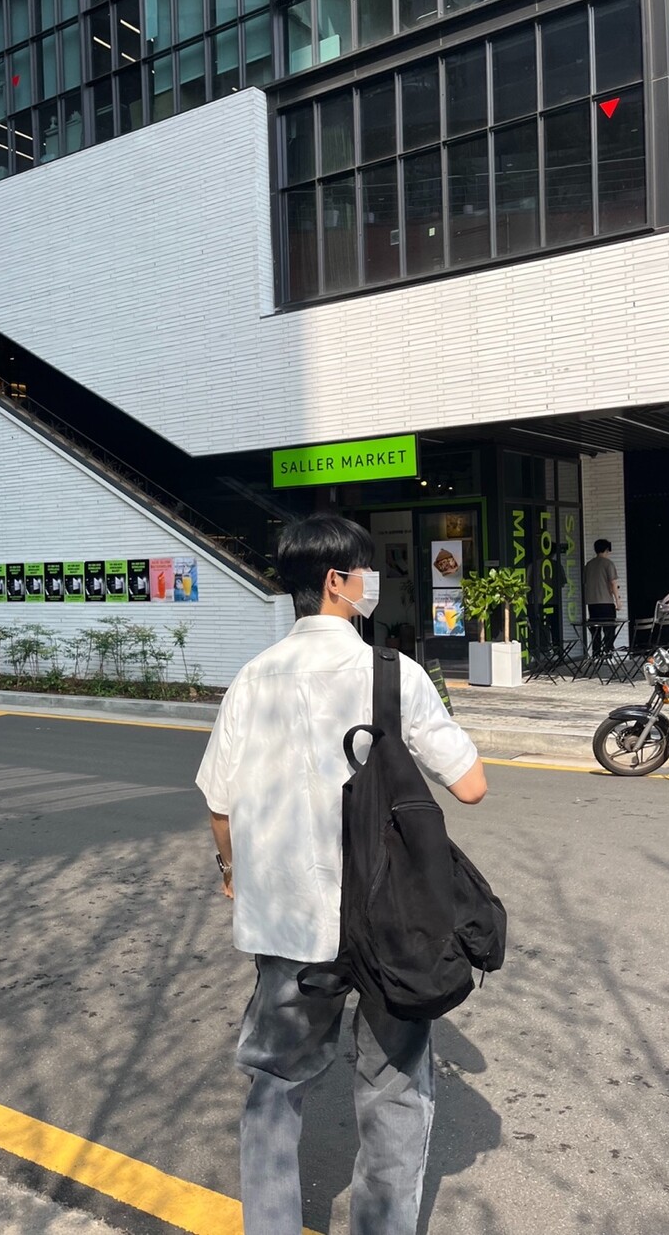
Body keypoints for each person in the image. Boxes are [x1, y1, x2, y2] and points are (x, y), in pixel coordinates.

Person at [196, 515, 488, 1235]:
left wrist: (232, 870)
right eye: (366, 570)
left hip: (288, 924)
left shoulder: (252, 677)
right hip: (389, 926)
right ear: (337, 581)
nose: (372, 582)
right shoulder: (394, 673)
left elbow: (219, 804)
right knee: (394, 1094)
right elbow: (472, 785)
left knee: (274, 1085)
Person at [583, 539, 623, 656]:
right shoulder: (608, 563)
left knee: (595, 630)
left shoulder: (589, 565)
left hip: (592, 603)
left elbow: (586, 582)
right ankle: (608, 652)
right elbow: (613, 583)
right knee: (609, 629)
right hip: (606, 602)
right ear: (606, 549)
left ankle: (596, 653)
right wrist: (618, 600)